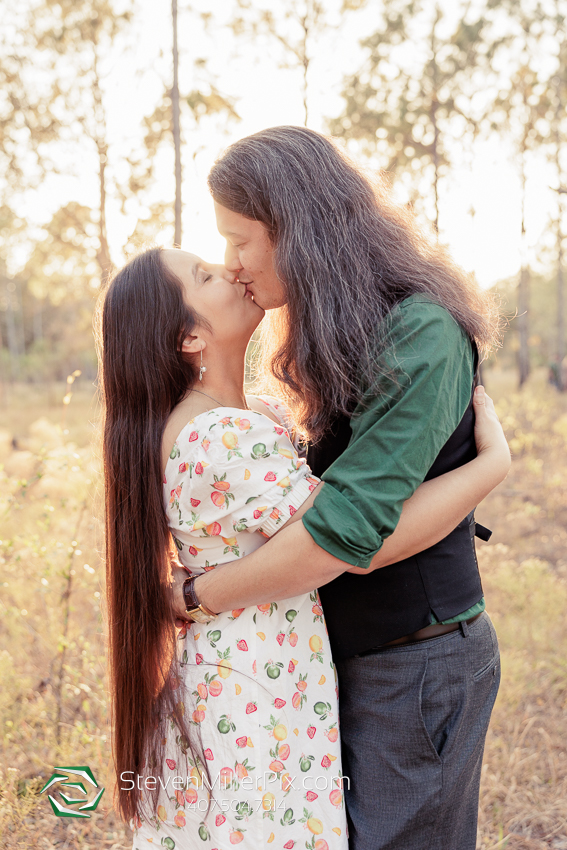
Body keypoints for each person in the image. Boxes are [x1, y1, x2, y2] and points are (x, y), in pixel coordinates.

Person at [169, 126, 511, 850]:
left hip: (414, 666)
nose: (232, 266)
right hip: (342, 663)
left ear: (296, 227)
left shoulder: (418, 332)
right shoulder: (336, 329)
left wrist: (199, 595)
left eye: (240, 240)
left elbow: (341, 537)